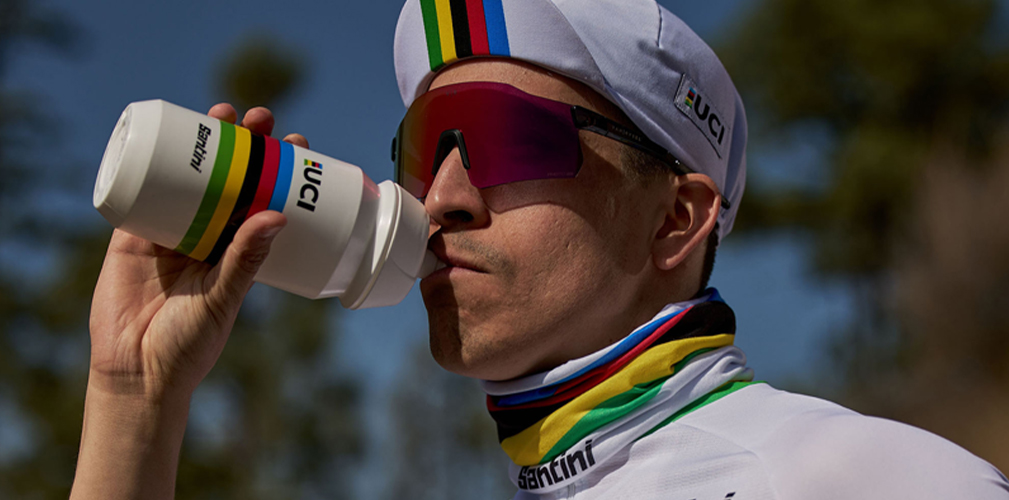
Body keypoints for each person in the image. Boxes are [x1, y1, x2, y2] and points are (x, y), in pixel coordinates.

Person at [71, 0, 1009, 499]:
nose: (440, 196)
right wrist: (135, 403)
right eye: (423, 149)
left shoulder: (875, 482)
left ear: (674, 220)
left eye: (503, 139)